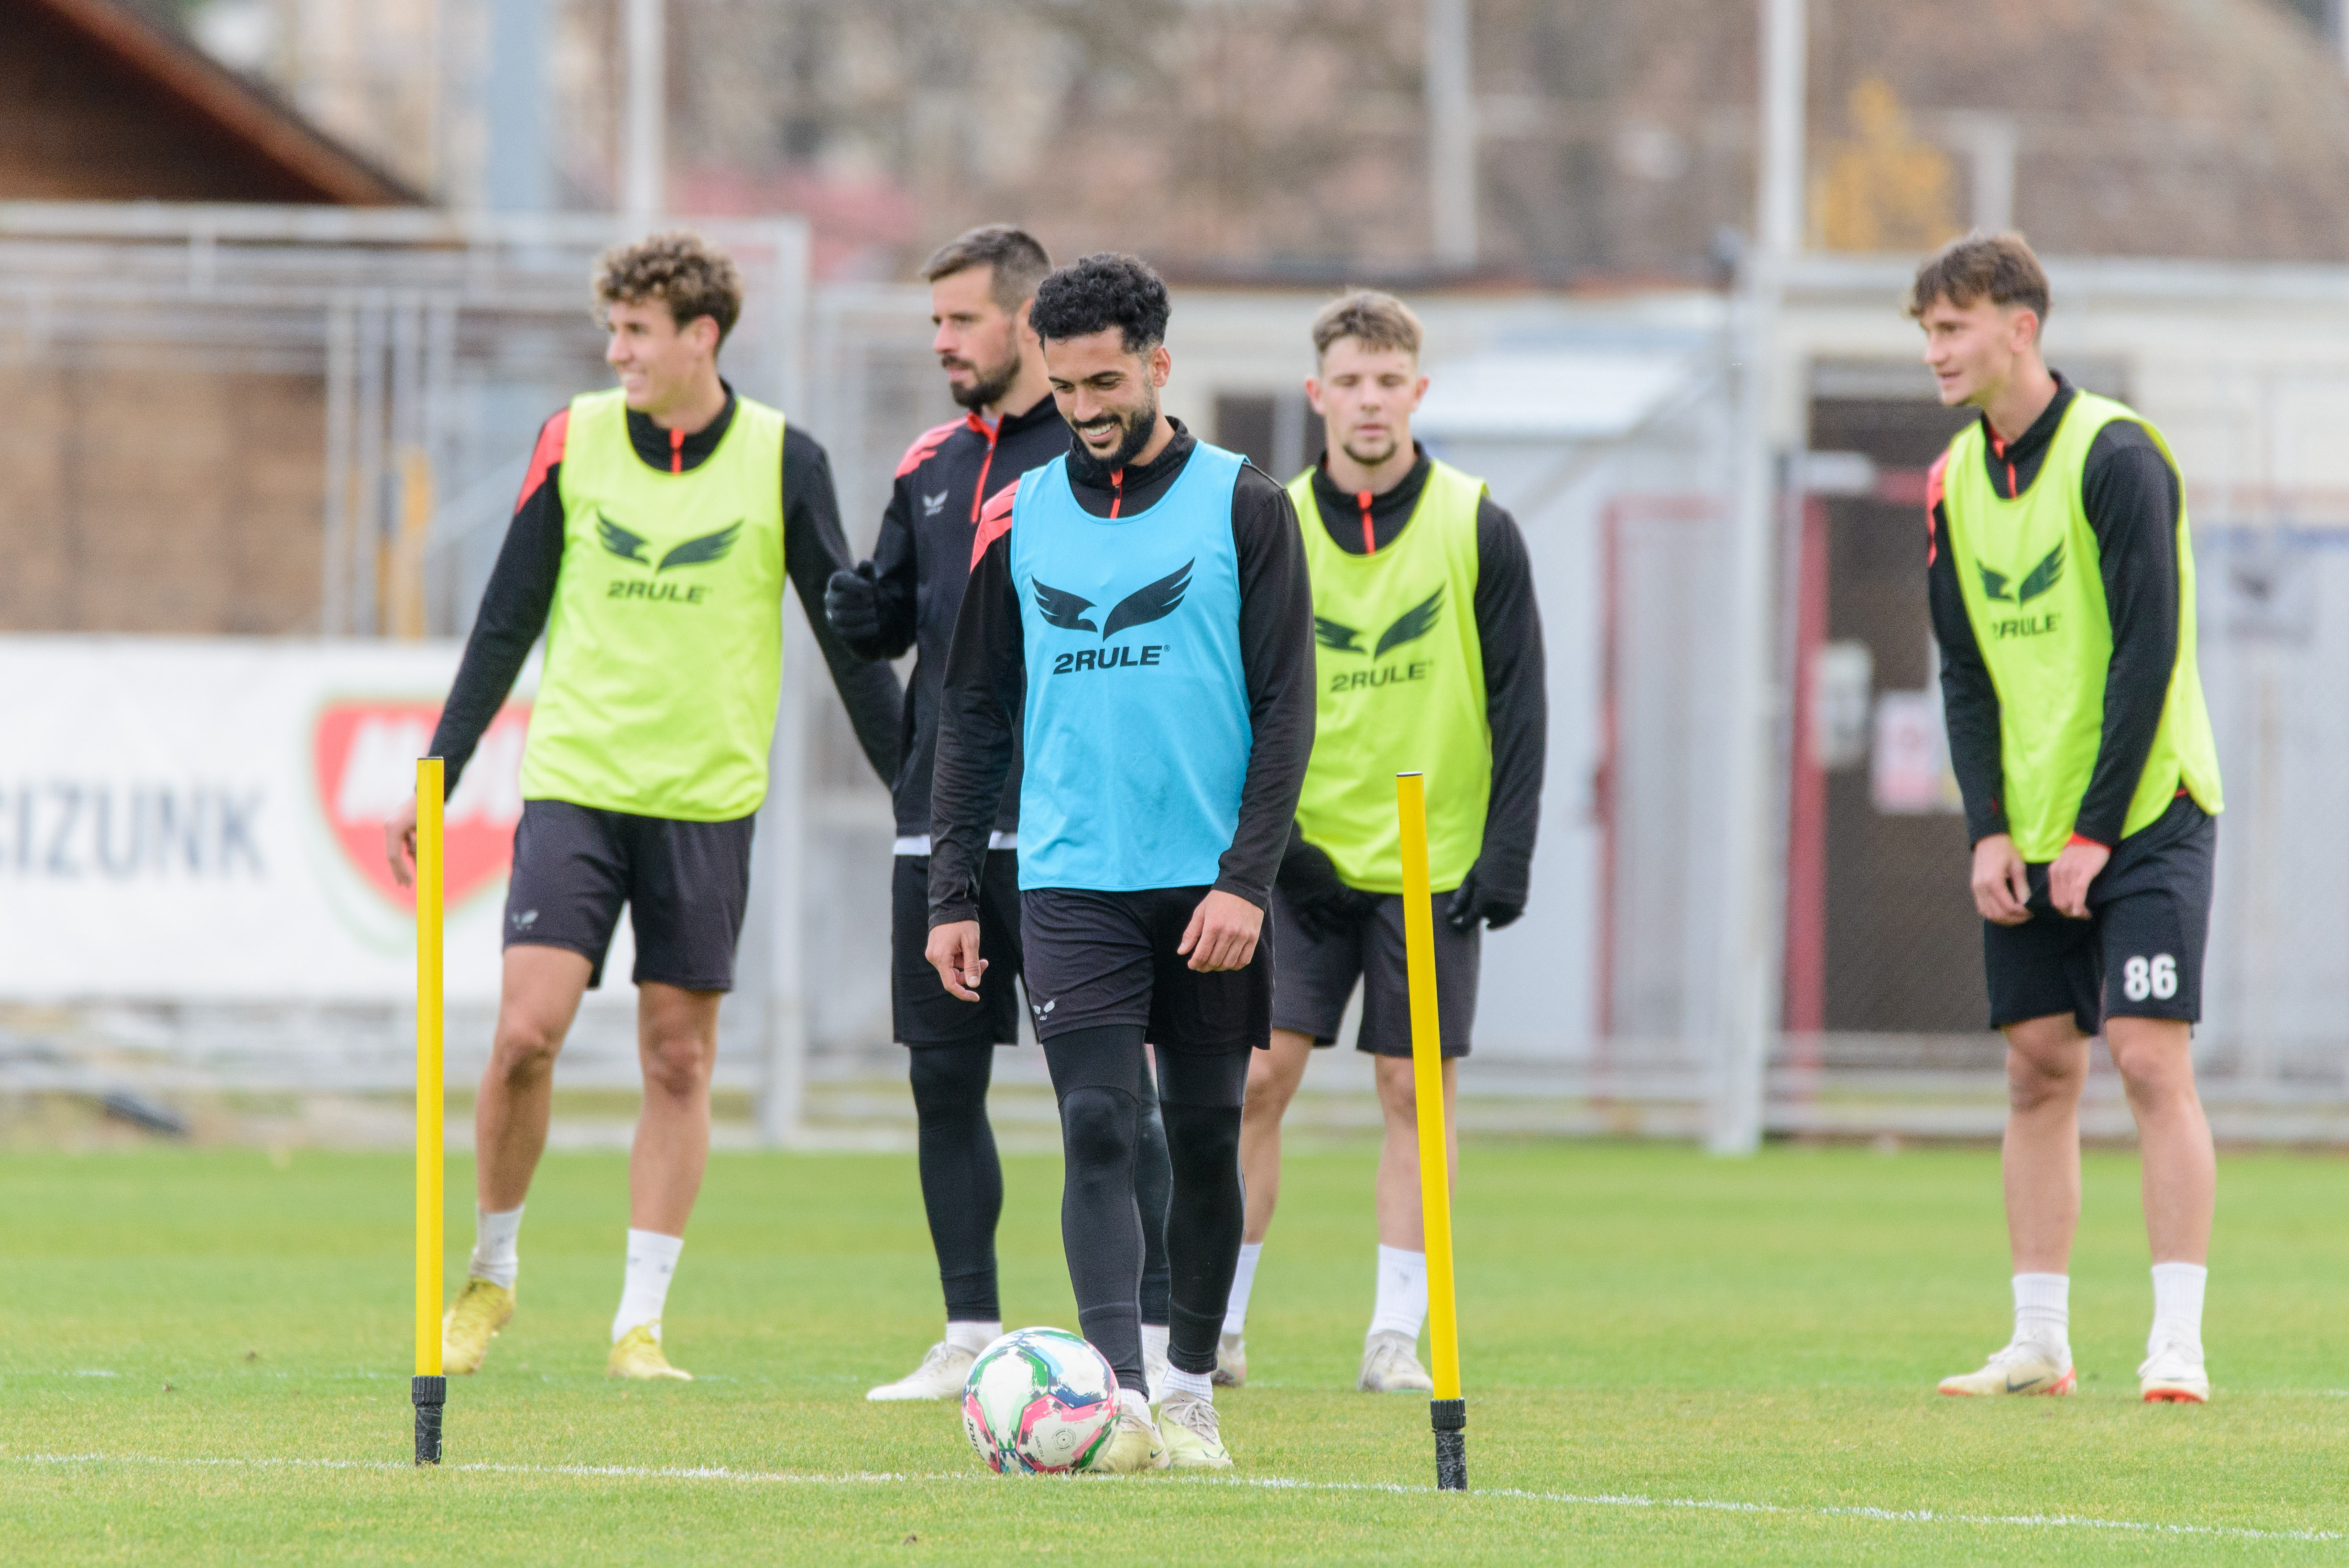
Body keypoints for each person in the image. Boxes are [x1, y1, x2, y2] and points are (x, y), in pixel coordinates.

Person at [384, 232, 901, 1382]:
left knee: (678, 1059)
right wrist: (445, 762)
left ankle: (639, 1324)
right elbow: (506, 615)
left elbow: (850, 645)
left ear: (700, 336)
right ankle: (493, 1273)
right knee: (528, 1032)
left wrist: (918, 797)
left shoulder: (785, 459)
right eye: (610, 329)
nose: (615, 350)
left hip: (706, 800)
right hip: (575, 782)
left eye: (635, 332)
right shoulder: (571, 440)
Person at [926, 253, 1314, 1471]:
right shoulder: (1019, 509)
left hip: (1207, 887)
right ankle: (1123, 1395)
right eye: (1067, 384)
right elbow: (974, 711)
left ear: (1158, 361)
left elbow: (1286, 710)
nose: (1088, 411)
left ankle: (1193, 1387)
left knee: (1203, 1138)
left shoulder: (1247, 506)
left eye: (1108, 383)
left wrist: (1247, 880)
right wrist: (951, 891)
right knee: (1099, 1121)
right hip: (1072, 879)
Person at [823, 225, 1179, 1403]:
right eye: (933, 324)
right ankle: (970, 1326)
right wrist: (861, 609)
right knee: (942, 1075)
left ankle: (1171, 1331)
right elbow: (903, 625)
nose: (943, 345)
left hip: (1075, 825)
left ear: (1028, 325)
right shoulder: (927, 462)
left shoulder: (1087, 462)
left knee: (1112, 1095)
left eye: (961, 321)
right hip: (946, 821)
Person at [1914, 233, 2223, 1405]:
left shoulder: (2119, 455)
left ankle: (2177, 1343)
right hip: (2034, 821)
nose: (1938, 351)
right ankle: (2039, 1340)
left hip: (2148, 806)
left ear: (2021, 328)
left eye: (1955, 328)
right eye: (1930, 332)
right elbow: (1962, 671)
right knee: (2040, 1068)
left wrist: (2096, 828)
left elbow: (2151, 650)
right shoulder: (1950, 480)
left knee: (2148, 1055)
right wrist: (1989, 827)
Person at [1219, 291, 1546, 1394]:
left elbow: (1521, 700)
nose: (1369, 399)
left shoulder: (1476, 522)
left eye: (1388, 379)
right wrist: (1262, 849)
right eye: (1348, 380)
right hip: (1299, 859)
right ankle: (1217, 1324)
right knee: (1260, 1078)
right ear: (1317, 394)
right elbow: (1236, 696)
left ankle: (1394, 1335)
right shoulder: (1273, 522)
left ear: (1418, 390)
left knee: (1415, 1090)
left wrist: (1507, 855)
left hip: (1433, 861)